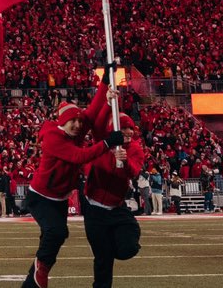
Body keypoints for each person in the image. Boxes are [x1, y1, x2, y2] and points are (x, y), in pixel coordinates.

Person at [21, 81, 128, 288]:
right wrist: (107, 143)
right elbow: (80, 156)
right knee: (57, 232)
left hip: (59, 196)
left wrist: (105, 83)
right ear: (63, 121)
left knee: (54, 237)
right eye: (73, 121)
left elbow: (92, 110)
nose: (78, 125)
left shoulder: (75, 130)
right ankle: (39, 271)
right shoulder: (53, 138)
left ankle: (32, 282)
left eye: (79, 121)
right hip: (41, 196)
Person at [83, 79, 146, 288]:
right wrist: (108, 103)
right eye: (124, 128)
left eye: (131, 129)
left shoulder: (135, 149)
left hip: (117, 207)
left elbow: (134, 172)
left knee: (127, 248)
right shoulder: (103, 140)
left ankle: (119, 244)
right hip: (94, 207)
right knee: (102, 260)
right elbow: (98, 124)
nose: (128, 132)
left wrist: (125, 161)